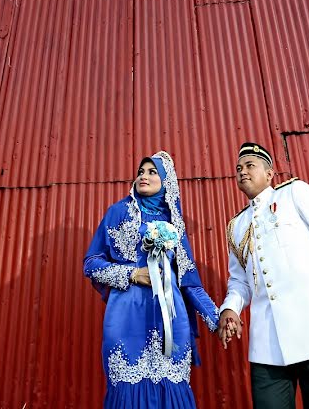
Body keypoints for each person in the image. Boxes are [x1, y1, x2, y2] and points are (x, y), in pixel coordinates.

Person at [218, 142, 309, 409]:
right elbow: (239, 281)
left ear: (270, 173)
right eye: (239, 168)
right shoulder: (237, 225)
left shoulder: (294, 193)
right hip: (267, 346)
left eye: (250, 165)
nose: (242, 171)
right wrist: (230, 308)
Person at [84, 151, 220, 408]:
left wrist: (217, 319)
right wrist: (132, 274)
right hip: (126, 318)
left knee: (172, 391)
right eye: (140, 172)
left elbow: (189, 282)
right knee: (126, 392)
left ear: (167, 180)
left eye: (152, 172)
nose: (143, 176)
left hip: (171, 319)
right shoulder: (118, 212)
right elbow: (91, 264)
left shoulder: (174, 223)